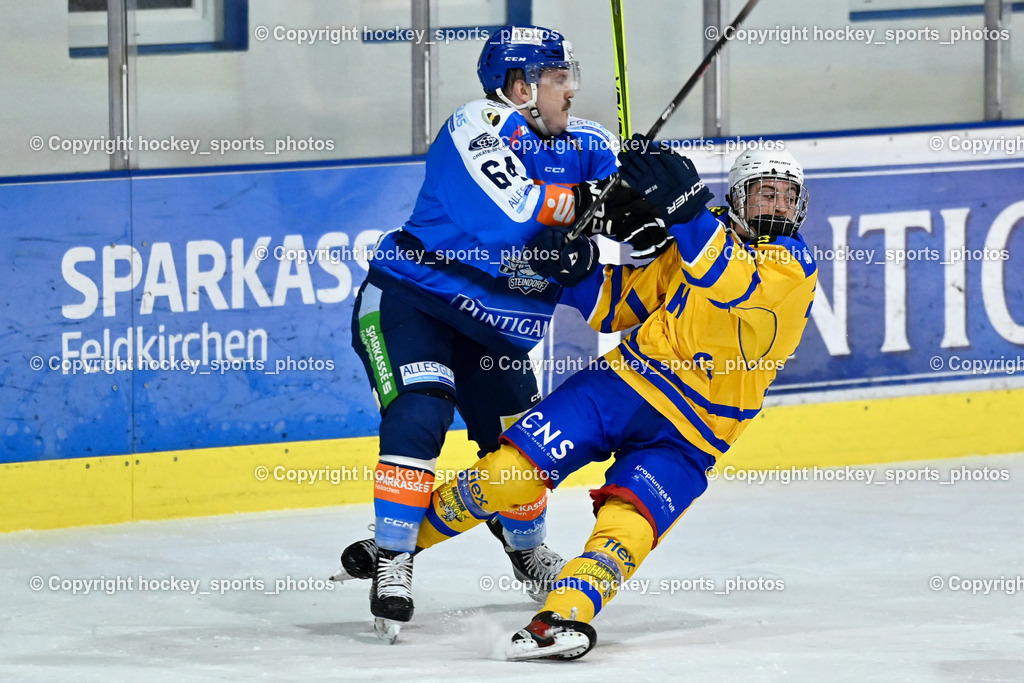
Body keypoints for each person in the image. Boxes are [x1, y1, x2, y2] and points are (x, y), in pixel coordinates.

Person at [402, 140, 819, 660]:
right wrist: (574, 271)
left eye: (786, 196)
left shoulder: (793, 267)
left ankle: (562, 617)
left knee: (628, 526)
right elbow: (620, 305)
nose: (777, 205)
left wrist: (684, 210)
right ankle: (396, 546)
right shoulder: (699, 237)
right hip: (622, 384)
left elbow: (732, 281)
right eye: (764, 193)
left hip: (694, 430)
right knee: (508, 473)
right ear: (737, 198)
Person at [334, 26, 670, 641]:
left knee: (525, 445)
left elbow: (637, 232)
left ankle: (527, 551)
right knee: (421, 411)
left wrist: (650, 201)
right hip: (416, 301)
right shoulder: (477, 127)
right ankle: (394, 558)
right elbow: (515, 213)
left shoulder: (590, 143)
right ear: (520, 87)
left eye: (569, 77)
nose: (570, 90)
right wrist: (596, 205)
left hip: (497, 333)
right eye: (558, 78)